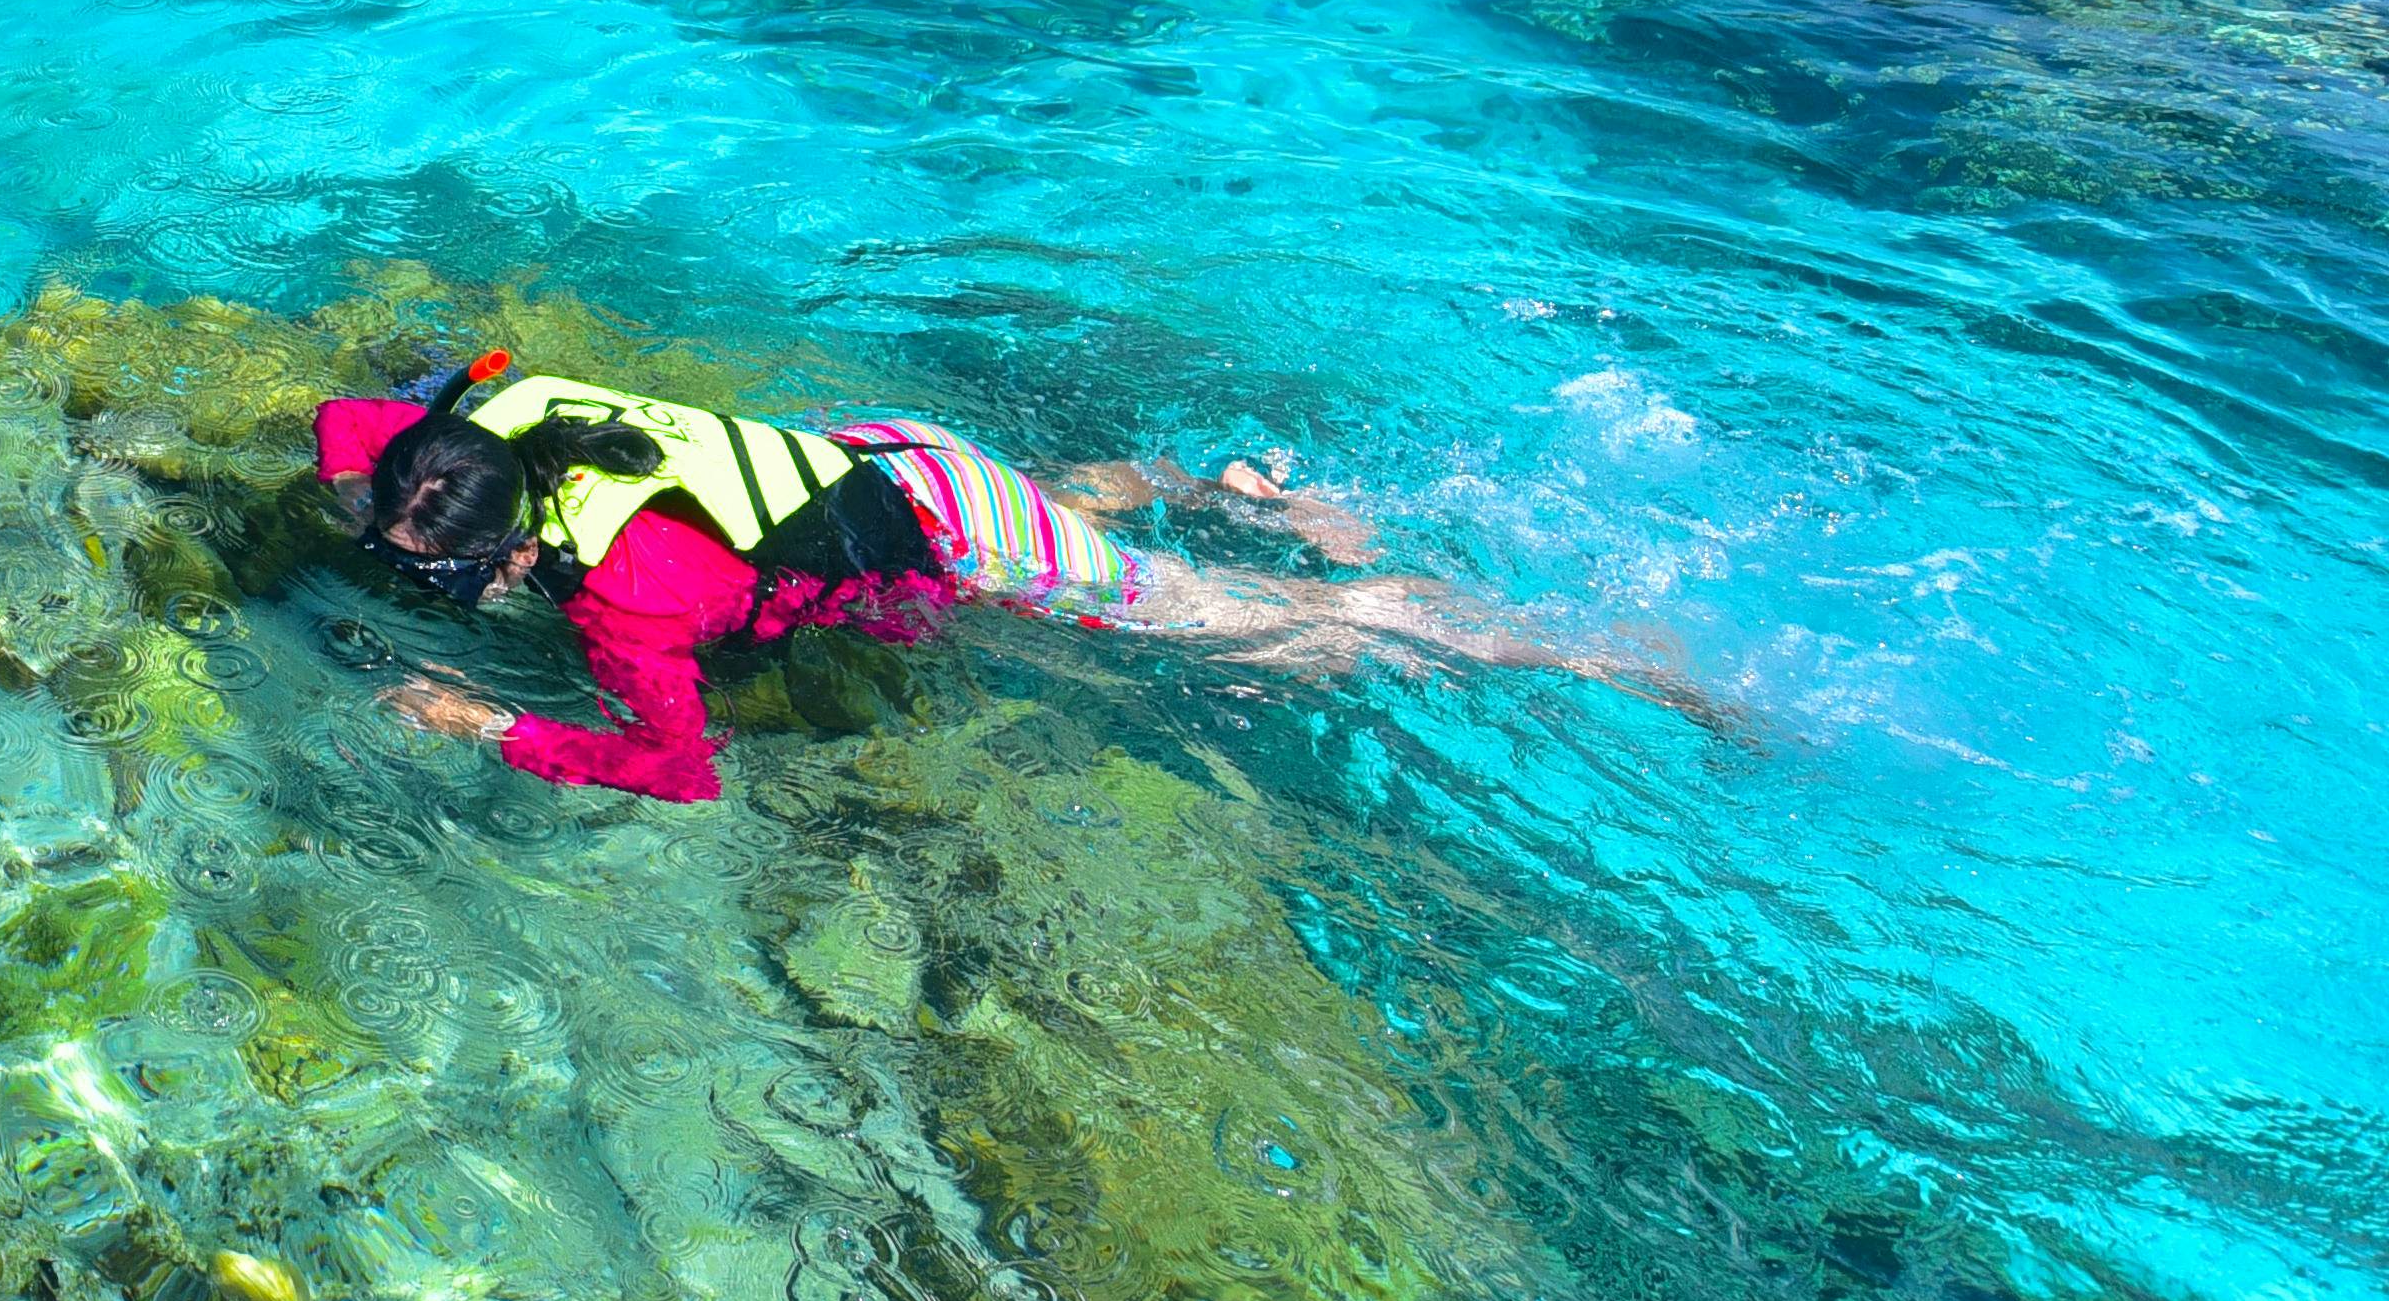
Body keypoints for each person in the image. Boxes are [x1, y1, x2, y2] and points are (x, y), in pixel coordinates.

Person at [313, 352, 1731, 802]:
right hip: (891, 459)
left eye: (442, 575)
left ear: (506, 548)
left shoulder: (625, 602)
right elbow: (358, 438)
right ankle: (1211, 484)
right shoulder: (490, 434)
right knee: (1078, 523)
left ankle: (1605, 655)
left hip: (961, 538)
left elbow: (681, 768)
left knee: (1273, 638)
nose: (417, 575)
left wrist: (488, 724)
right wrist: (369, 506)